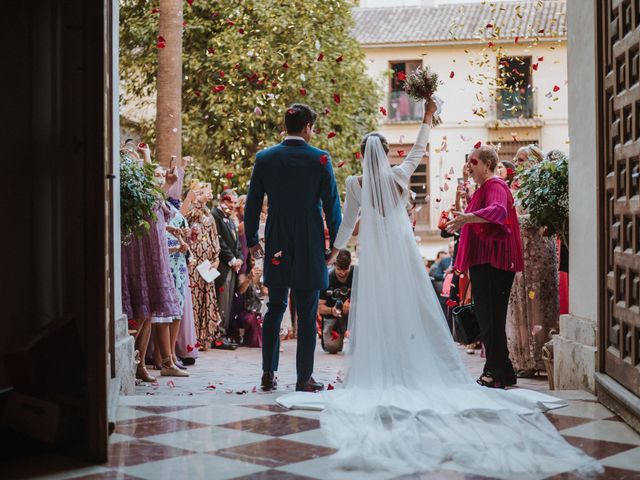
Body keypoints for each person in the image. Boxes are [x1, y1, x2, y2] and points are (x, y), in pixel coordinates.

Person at [276, 100, 601, 479]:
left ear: (363, 156)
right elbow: (418, 150)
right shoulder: (399, 176)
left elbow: (347, 224)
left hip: (375, 264)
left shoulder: (354, 183)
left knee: (378, 314)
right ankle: (411, 370)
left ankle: (383, 370)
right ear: (385, 155)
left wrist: (333, 253)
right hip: (402, 262)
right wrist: (428, 117)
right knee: (408, 313)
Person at [244, 103, 342, 392]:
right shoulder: (320, 159)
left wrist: (252, 241)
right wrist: (335, 245)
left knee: (275, 306)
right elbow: (331, 206)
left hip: (277, 238)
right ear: (308, 127)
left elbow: (252, 203)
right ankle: (303, 378)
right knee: (308, 308)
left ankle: (267, 373)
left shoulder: (265, 158)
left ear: (286, 126)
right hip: (310, 239)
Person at [120, 143, 182, 382]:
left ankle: (138, 363)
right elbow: (147, 203)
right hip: (138, 255)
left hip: (153, 256)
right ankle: (129, 359)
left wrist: (167, 184)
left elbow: (158, 207)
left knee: (148, 312)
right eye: (131, 159)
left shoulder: (145, 191)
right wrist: (147, 159)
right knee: (139, 311)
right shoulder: (129, 189)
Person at [506, 145, 560, 378]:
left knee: (538, 301)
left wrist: (513, 220)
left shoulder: (543, 187)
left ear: (534, 161)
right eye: (516, 160)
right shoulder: (515, 188)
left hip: (539, 252)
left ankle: (540, 356)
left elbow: (544, 218)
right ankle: (523, 359)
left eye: (521, 160)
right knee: (519, 302)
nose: (516, 164)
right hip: (519, 250)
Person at [184, 181, 223, 350]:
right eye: (202, 191)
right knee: (195, 298)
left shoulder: (208, 212)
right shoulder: (191, 210)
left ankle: (205, 337)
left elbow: (214, 235)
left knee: (207, 298)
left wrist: (216, 257)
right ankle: (193, 338)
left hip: (207, 262)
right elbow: (191, 216)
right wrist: (198, 198)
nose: (207, 193)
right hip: (194, 261)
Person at [212, 189, 243, 345]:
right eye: (228, 201)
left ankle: (223, 333)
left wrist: (240, 259)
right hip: (222, 267)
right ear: (221, 200)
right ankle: (218, 335)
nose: (231, 205)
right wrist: (231, 259)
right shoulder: (215, 215)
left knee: (228, 302)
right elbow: (219, 241)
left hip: (232, 267)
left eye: (234, 203)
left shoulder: (230, 219)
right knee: (221, 301)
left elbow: (237, 243)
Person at [318, 249, 354, 353]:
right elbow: (320, 306)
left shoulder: (357, 274)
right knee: (332, 348)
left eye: (345, 269)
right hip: (333, 317)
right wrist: (331, 310)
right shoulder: (327, 277)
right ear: (334, 264)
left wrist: (351, 300)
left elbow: (369, 299)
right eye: (339, 269)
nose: (342, 273)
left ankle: (357, 337)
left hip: (353, 314)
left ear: (350, 265)